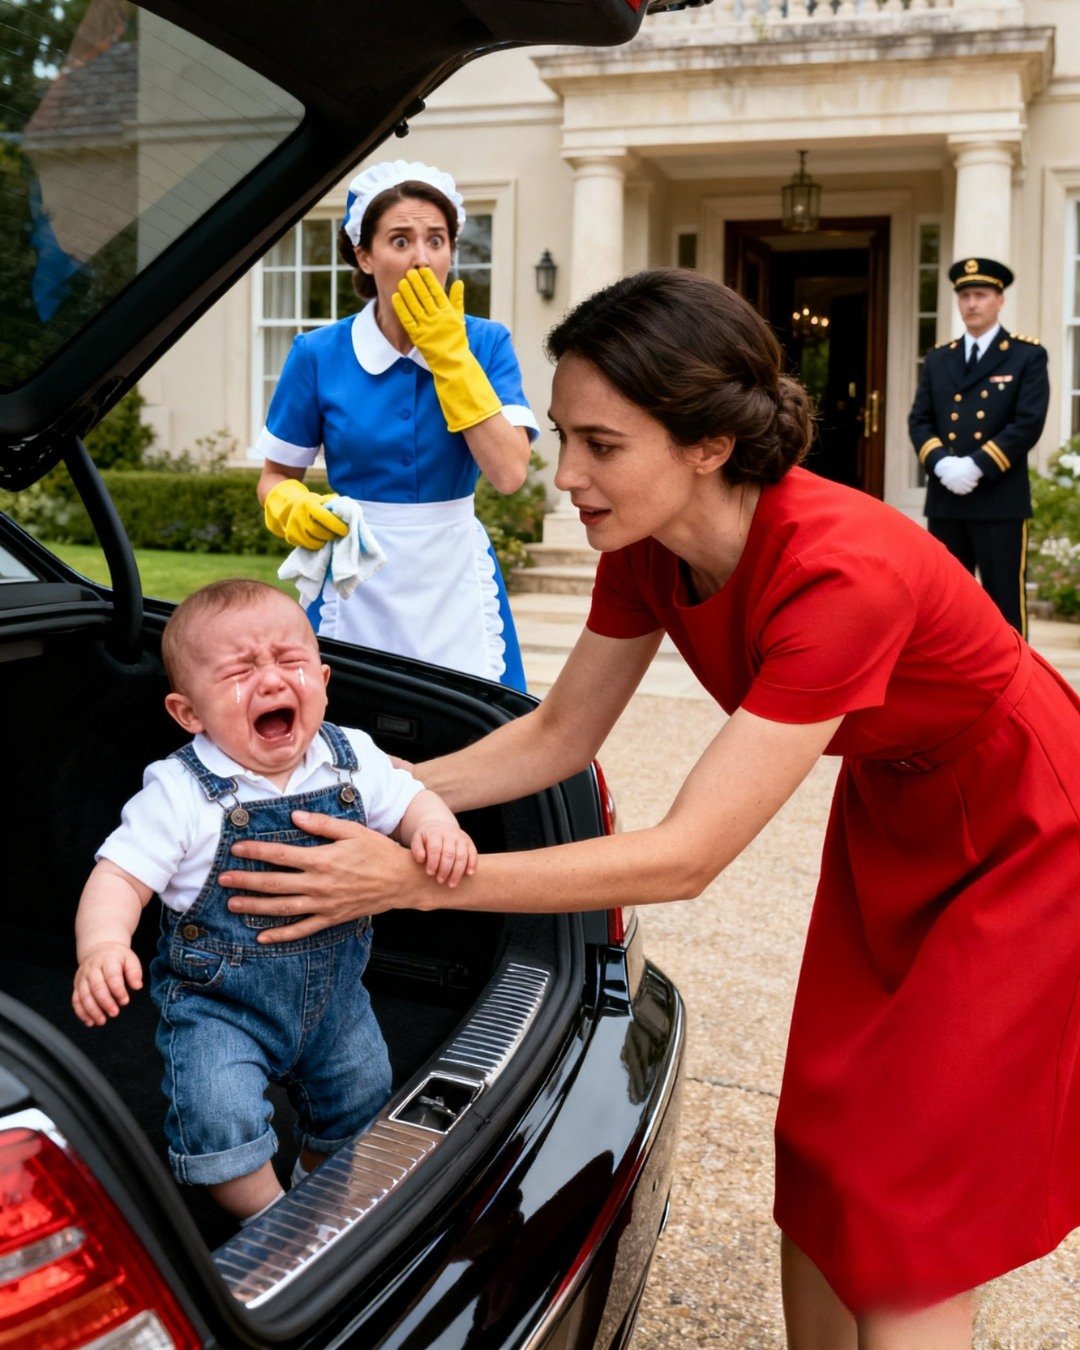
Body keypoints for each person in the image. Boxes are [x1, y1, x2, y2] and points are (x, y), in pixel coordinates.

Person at [218, 270, 1080, 1347]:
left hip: (1032, 826)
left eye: (602, 445)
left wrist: (418, 883)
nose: (565, 474)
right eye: (566, 436)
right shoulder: (648, 544)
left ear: (708, 446)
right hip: (897, 806)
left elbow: (685, 857)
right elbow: (556, 736)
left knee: (914, 1198)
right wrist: (353, 791)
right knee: (822, 1139)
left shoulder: (842, 573)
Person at [71, 578, 476, 1224]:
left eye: (289, 662)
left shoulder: (352, 759)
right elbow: (119, 875)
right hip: (220, 1007)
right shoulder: (181, 793)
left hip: (336, 1003)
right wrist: (103, 945)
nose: (270, 680)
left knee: (362, 1097)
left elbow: (410, 799)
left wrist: (436, 828)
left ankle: (318, 1192)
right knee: (218, 1115)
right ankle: (273, 1222)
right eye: (238, 670)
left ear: (322, 677)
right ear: (189, 713)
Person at [254, 158, 538, 690]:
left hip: (454, 571)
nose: (421, 259)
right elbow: (275, 476)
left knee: (473, 727)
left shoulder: (486, 344)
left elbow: (509, 473)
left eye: (436, 240)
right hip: (353, 575)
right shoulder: (317, 354)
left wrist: (451, 357)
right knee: (348, 723)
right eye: (401, 241)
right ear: (363, 255)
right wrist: (287, 504)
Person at [908, 255, 1050, 635]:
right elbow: (919, 420)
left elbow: (1028, 422)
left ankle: (1016, 687)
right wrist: (942, 464)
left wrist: (975, 466)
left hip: (998, 499)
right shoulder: (940, 359)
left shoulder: (1026, 355)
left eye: (981, 294)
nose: (972, 303)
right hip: (947, 499)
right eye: (965, 295)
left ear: (999, 300)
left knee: (1004, 602)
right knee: (944, 601)